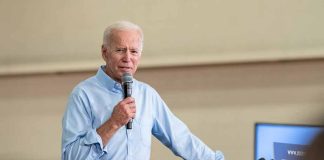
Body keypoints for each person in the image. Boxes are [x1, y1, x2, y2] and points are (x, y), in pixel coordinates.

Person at [61, 21, 225, 160]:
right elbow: (71, 155)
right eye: (120, 50)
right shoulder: (83, 95)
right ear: (105, 52)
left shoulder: (147, 95)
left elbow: (181, 139)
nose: (128, 58)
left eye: (134, 51)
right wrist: (114, 123)